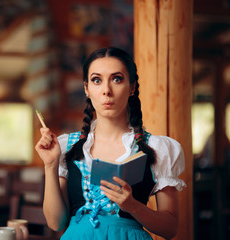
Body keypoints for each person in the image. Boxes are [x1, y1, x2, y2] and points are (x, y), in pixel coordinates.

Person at [35, 47, 186, 239]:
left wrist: (133, 206)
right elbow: (56, 222)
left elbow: (170, 228)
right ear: (86, 88)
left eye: (117, 79)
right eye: (97, 80)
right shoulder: (67, 147)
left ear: (132, 87)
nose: (106, 90)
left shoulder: (157, 148)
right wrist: (50, 164)